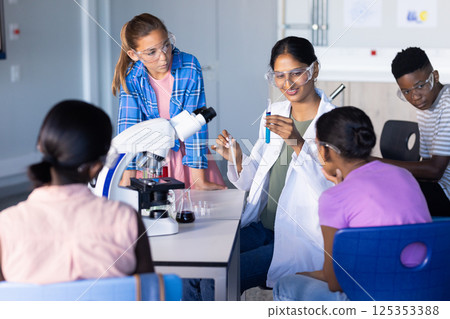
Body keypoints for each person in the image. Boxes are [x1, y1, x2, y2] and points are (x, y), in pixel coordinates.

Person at [212, 36, 336, 293]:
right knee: (203, 264)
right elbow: (257, 177)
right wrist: (236, 158)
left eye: (296, 73)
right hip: (262, 226)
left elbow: (331, 191)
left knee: (219, 278)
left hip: (297, 236)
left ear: (314, 70)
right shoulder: (274, 114)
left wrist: (298, 143)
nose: (287, 83)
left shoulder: (333, 122)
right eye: (279, 76)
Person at [273, 106, 432, 301]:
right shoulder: (404, 175)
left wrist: (299, 275)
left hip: (371, 298)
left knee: (285, 284)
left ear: (325, 150)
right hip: (422, 289)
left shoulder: (334, 198)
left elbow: (335, 282)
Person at [0, 100, 153, 283]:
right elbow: (148, 294)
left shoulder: (6, 226)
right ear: (96, 166)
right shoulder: (126, 219)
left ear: (41, 146)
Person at [111, 13, 225, 190]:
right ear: (133, 55)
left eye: (166, 45)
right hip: (150, 163)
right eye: (152, 52)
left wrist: (199, 181)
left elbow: (195, 126)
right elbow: (129, 130)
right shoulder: (131, 79)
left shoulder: (189, 66)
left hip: (190, 162)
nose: (163, 57)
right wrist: (126, 182)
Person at [385, 47, 449, 216]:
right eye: (406, 91)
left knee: (389, 197)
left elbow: (435, 170)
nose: (414, 97)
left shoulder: (447, 104)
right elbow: (427, 164)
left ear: (435, 76)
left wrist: (375, 163)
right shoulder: (426, 104)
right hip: (439, 186)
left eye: (420, 86)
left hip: (447, 193)